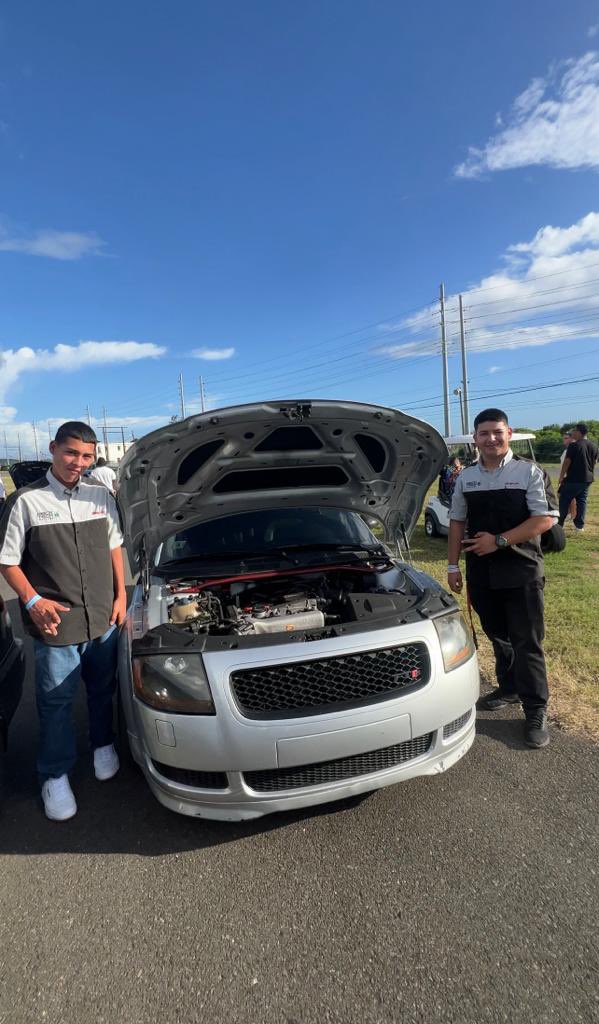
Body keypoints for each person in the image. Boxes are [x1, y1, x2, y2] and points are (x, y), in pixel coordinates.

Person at [0, 421, 126, 821]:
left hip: (103, 616)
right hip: (55, 623)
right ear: (54, 449)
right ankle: (54, 774)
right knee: (55, 702)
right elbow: (6, 560)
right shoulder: (25, 501)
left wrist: (121, 595)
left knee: (103, 688)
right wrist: (33, 600)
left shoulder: (101, 495)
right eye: (72, 453)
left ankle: (103, 744)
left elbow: (115, 546)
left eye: (87, 456)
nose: (78, 463)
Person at [447, 408, 556, 749]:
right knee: (499, 637)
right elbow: (456, 523)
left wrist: (499, 541)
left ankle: (535, 709)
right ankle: (508, 689)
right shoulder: (465, 477)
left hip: (521, 571)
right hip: (481, 574)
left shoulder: (529, 471)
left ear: (509, 433)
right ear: (475, 439)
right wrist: (452, 566)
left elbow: (544, 519)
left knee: (528, 643)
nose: (491, 438)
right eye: (484, 433)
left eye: (497, 432)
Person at [557, 422, 597, 532]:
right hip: (587, 479)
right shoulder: (594, 445)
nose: (572, 433)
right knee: (581, 501)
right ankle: (579, 526)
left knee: (564, 499)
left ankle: (559, 524)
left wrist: (561, 477)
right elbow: (593, 462)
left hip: (574, 478)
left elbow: (567, 461)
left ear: (579, 432)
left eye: (574, 430)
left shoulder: (574, 445)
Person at [559, 433, 576, 523]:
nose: (564, 440)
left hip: (568, 477)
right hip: (565, 476)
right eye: (564, 438)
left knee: (570, 497)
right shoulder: (566, 450)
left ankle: (572, 515)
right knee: (564, 496)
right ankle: (570, 514)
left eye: (566, 438)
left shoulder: (571, 450)